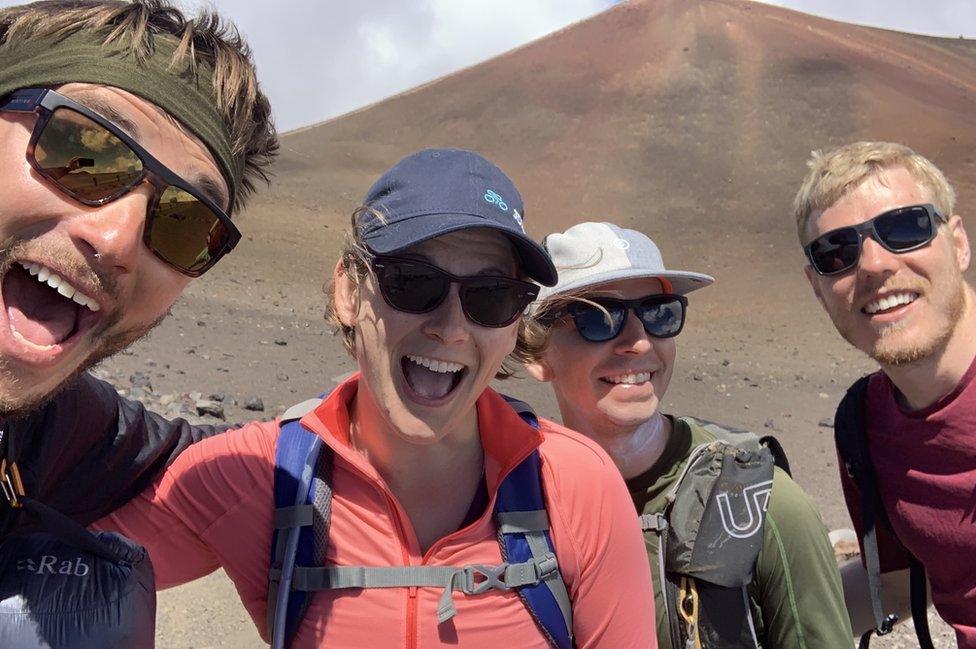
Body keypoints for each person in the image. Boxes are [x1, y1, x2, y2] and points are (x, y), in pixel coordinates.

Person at [99, 149, 657, 648]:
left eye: (491, 297)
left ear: (514, 324)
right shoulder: (256, 475)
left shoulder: (577, 486)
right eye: (413, 283)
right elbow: (57, 570)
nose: (451, 328)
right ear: (348, 290)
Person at [0, 0, 276, 536]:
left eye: (185, 221)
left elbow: (194, 453)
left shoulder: (48, 432)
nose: (116, 240)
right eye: (80, 150)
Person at [521, 221, 853, 648]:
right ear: (538, 352)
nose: (638, 342)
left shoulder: (761, 505)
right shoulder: (510, 508)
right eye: (598, 318)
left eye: (658, 312)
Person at [795, 141, 975, 648]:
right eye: (837, 252)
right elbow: (895, 586)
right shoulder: (865, 426)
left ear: (958, 243)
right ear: (817, 286)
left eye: (905, 228)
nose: (873, 264)